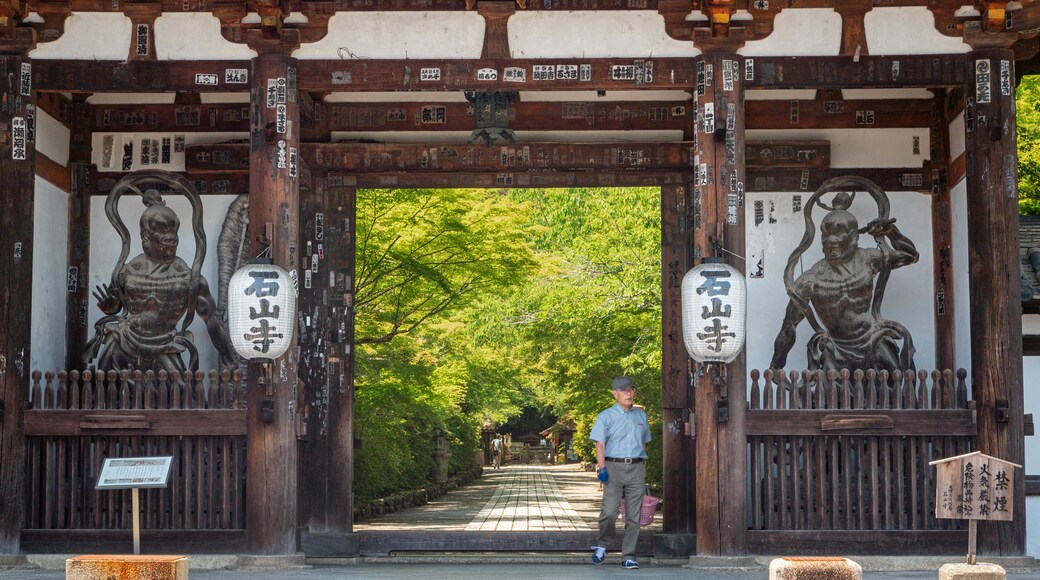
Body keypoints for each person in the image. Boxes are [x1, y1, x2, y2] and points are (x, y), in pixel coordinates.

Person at [85, 189, 238, 376]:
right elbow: (117, 304)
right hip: (124, 340)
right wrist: (110, 307)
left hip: (165, 344)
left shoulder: (187, 278)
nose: (171, 243)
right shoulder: (128, 271)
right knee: (108, 388)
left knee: (177, 394)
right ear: (145, 237)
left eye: (173, 238)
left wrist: (229, 358)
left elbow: (212, 319)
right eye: (164, 238)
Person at [770, 192, 919, 375]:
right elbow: (789, 326)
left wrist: (890, 231)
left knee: (892, 391)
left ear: (854, 237)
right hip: (836, 348)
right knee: (833, 398)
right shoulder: (811, 280)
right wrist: (776, 365)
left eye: (838, 233)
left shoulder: (868, 259)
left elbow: (911, 256)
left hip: (873, 338)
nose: (831, 240)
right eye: (826, 234)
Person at [589, 376, 651, 570]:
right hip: (613, 467)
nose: (629, 393)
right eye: (624, 390)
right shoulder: (605, 416)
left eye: (631, 390)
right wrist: (602, 469)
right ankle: (603, 545)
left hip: (636, 467)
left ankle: (629, 555)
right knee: (609, 512)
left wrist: (641, 465)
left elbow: (644, 443)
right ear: (614, 393)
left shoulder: (641, 415)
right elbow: (600, 444)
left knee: (634, 516)